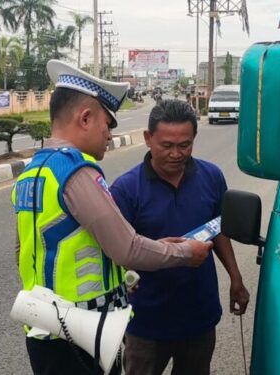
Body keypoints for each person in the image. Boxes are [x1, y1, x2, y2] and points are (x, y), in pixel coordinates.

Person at [11, 60, 214, 375]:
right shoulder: (76, 172)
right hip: (80, 332)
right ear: (86, 117)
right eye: (107, 124)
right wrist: (186, 252)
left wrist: (122, 275)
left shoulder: (34, 172)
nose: (108, 135)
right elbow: (126, 248)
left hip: (43, 326)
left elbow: (30, 249)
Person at [110, 99, 250, 375]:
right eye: (166, 146)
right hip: (146, 322)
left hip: (198, 315)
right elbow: (116, 249)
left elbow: (218, 229)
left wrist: (235, 278)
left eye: (184, 145)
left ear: (194, 139)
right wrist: (126, 273)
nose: (176, 154)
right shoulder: (126, 189)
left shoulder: (211, 176)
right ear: (148, 139)